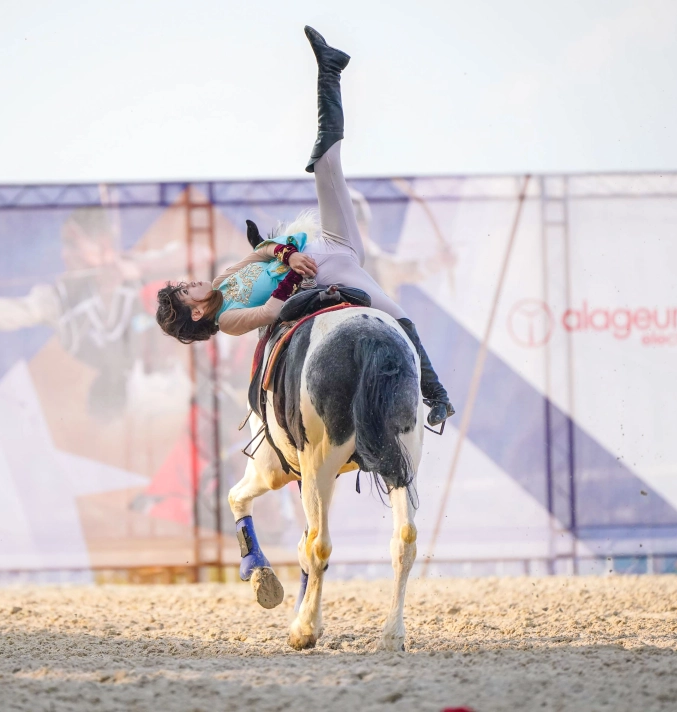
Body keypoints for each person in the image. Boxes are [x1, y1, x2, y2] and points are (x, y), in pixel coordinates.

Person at [154, 26, 455, 427]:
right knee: (401, 321)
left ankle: (330, 68)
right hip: (328, 272)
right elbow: (273, 311)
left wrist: (287, 253)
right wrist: (293, 275)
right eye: (184, 289)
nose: (190, 281)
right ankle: (437, 395)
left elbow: (260, 253)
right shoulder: (227, 319)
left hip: (328, 244)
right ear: (193, 313)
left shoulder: (224, 279)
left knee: (326, 164)